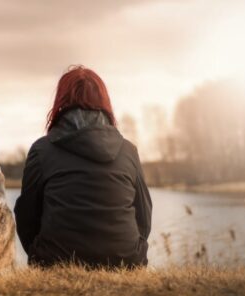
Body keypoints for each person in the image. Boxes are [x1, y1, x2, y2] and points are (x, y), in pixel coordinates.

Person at [14, 65, 152, 268]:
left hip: (55, 261)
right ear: (104, 102)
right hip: (126, 261)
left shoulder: (42, 150)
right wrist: (129, 251)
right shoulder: (128, 150)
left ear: (61, 102)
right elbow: (144, 215)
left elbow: (26, 216)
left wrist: (39, 254)